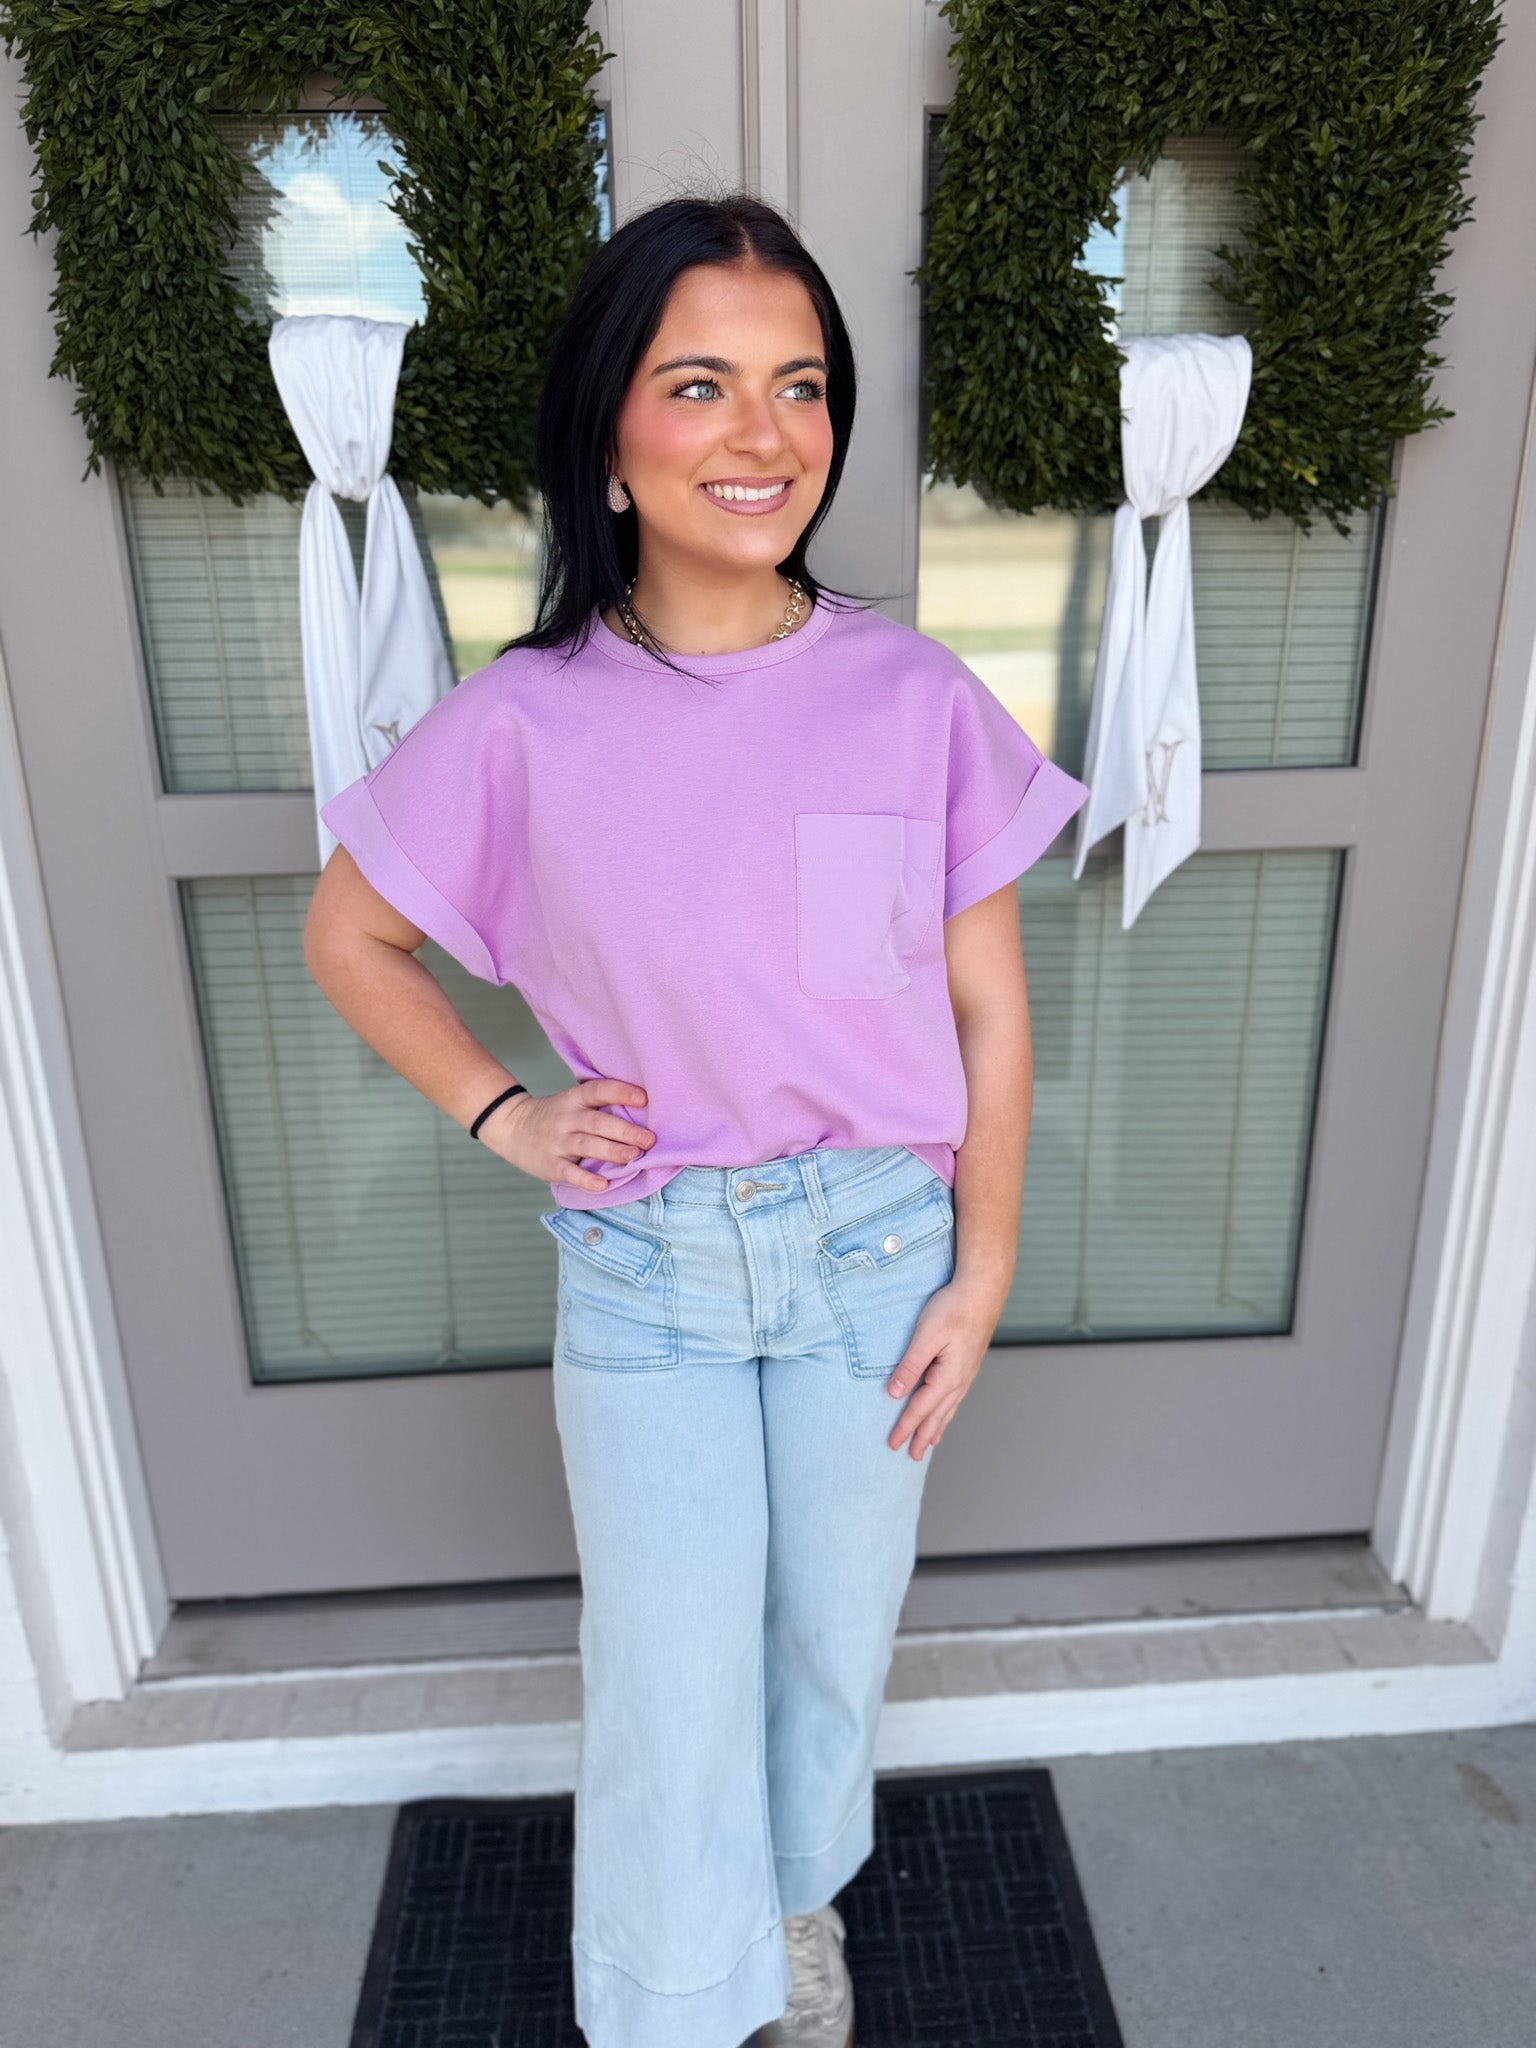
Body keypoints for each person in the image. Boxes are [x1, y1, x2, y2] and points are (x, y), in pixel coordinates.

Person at [305, 191, 1088, 2048]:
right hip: (650, 1271)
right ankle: (671, 1998)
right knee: (666, 1672)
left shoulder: (910, 696)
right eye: (704, 384)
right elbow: (356, 931)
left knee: (831, 1635)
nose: (766, 435)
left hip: (873, 1263)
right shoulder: (528, 721)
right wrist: (505, 1112)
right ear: (610, 431)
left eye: (802, 385)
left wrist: (981, 1272)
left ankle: (793, 1908)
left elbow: (985, 1005)